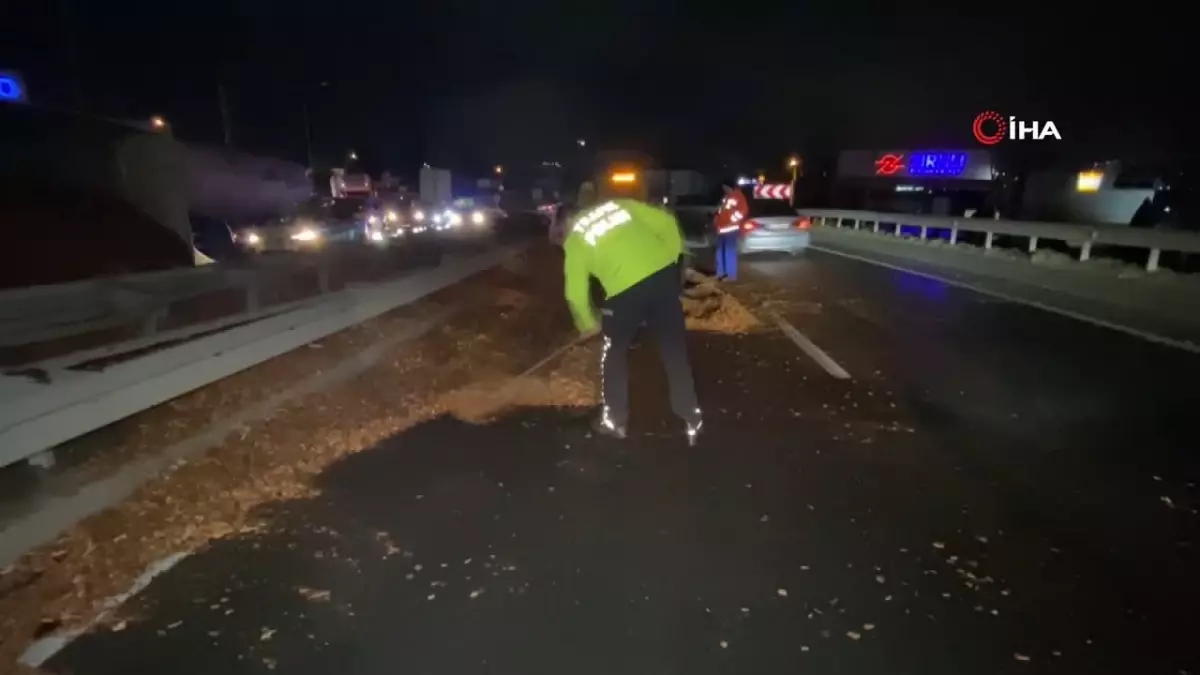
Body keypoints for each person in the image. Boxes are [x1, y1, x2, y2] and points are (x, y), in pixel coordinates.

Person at [562, 198, 704, 445]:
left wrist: (587, 324)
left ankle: (615, 420)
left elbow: (575, 292)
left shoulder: (576, 239)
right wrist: (670, 260)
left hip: (624, 293)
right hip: (662, 278)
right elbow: (667, 220)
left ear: (568, 220)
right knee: (673, 349)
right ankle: (691, 416)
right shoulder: (619, 205)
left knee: (613, 353)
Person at [713, 181, 749, 281]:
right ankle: (720, 273)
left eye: (724, 186)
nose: (723, 189)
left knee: (729, 252)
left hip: (731, 229)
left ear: (729, 186)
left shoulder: (738, 196)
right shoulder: (726, 197)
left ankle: (730, 275)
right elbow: (721, 211)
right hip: (721, 229)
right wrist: (716, 218)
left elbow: (743, 210)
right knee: (720, 252)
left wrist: (731, 220)